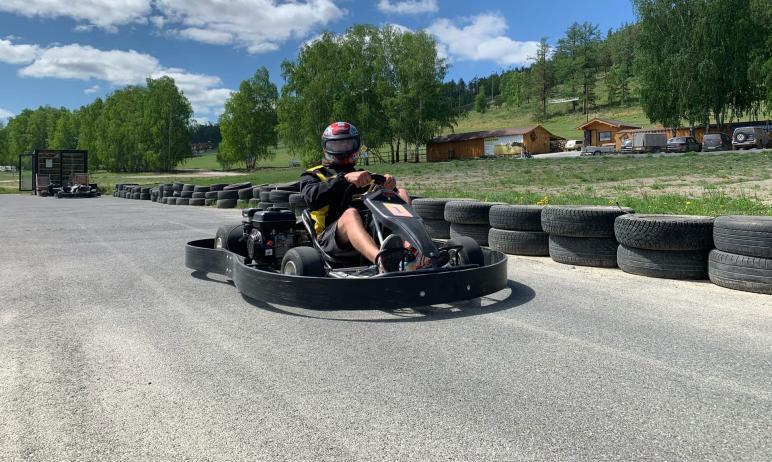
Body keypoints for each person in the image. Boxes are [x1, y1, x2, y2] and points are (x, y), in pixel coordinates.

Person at [300, 122, 412, 273]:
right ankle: (382, 262)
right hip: (331, 236)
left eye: (348, 144)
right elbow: (311, 198)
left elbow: (383, 202)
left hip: (368, 228)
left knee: (402, 193)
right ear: (327, 147)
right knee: (351, 214)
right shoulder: (314, 175)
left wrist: (388, 189)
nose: (344, 149)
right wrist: (344, 179)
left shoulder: (364, 175)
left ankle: (410, 252)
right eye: (338, 145)